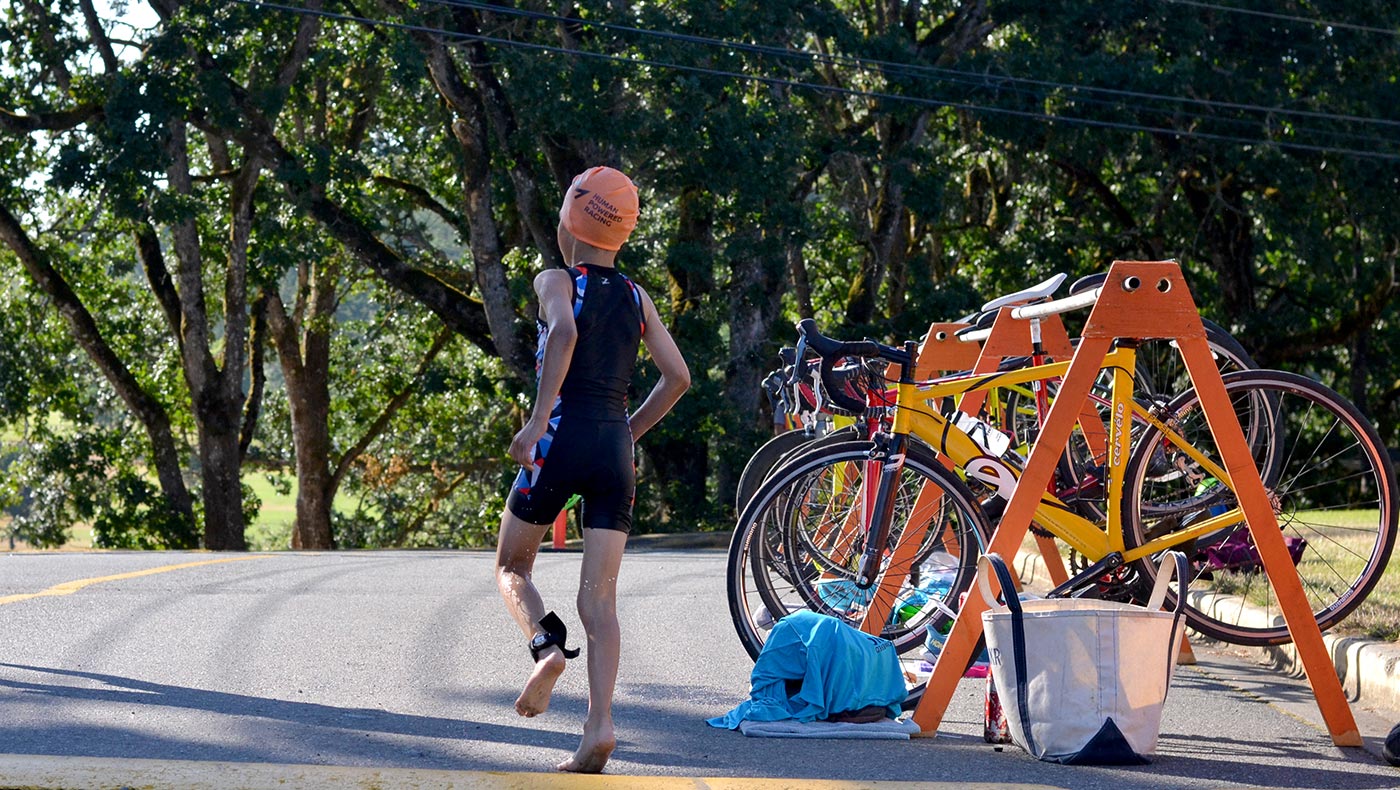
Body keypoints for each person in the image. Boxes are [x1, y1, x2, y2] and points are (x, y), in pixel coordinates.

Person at [494, 165, 689, 774]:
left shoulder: (555, 279)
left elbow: (565, 331)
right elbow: (678, 378)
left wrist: (536, 420)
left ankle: (546, 649)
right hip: (613, 450)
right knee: (600, 604)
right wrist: (626, 434)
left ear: (570, 218)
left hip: (561, 441)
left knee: (511, 565)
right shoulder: (636, 296)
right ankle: (599, 727)